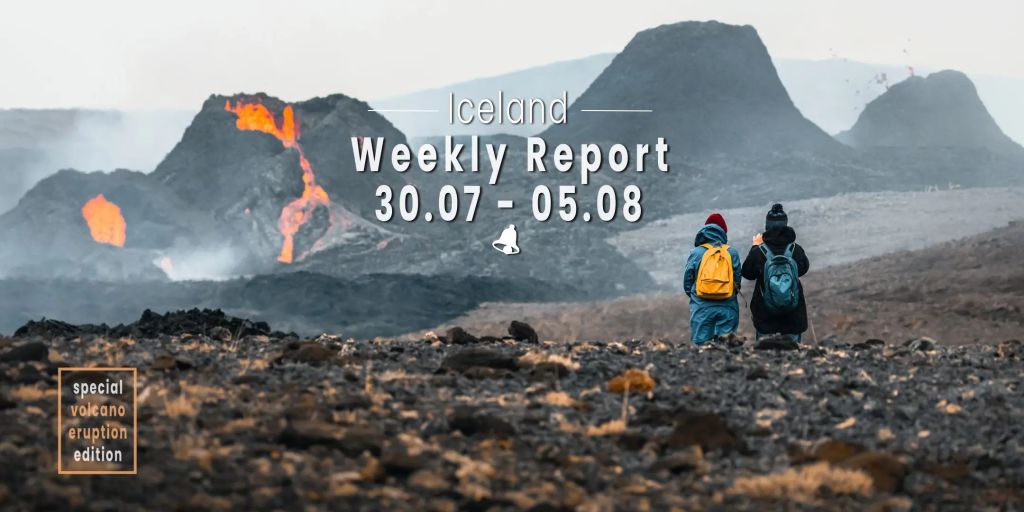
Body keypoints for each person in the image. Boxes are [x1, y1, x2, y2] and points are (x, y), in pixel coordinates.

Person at [742, 203, 810, 342]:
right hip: (793, 316)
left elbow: (747, 273)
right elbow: (803, 269)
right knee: (794, 357)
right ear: (786, 224)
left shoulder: (759, 251)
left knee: (766, 356)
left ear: (767, 225)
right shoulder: (795, 250)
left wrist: (755, 246)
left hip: (766, 318)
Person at [683, 213, 742, 345]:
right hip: (727, 306)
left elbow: (688, 281)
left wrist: (696, 295)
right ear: (723, 233)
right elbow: (737, 281)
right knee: (727, 345)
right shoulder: (732, 253)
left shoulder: (696, 253)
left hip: (701, 307)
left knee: (700, 346)